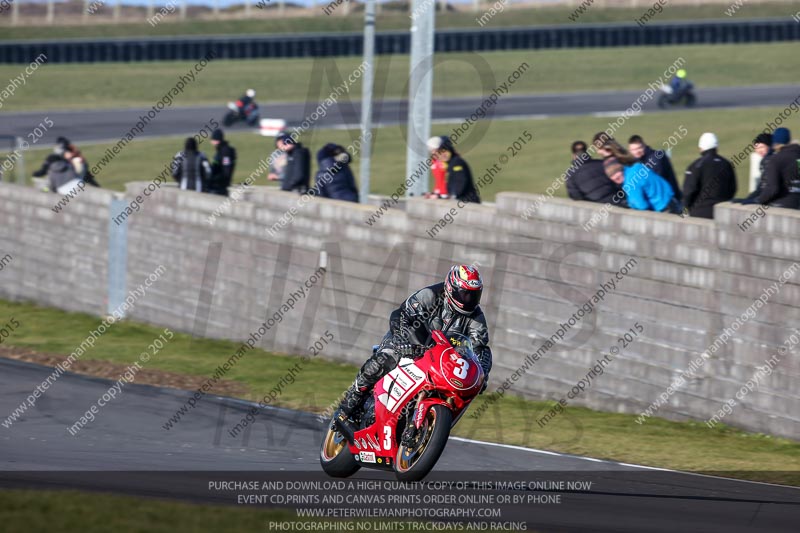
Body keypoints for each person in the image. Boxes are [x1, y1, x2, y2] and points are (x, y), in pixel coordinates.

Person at [337, 265, 493, 419]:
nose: (470, 300)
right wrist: (401, 340)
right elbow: (401, 315)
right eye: (465, 294)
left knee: (459, 392)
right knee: (386, 358)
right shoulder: (431, 295)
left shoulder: (476, 318)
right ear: (451, 288)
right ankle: (353, 396)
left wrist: (481, 374)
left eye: (474, 295)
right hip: (409, 343)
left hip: (439, 360)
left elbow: (480, 348)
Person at [593, 133, 680, 214]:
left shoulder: (628, 175)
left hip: (660, 205)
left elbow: (641, 205)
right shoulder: (632, 164)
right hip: (667, 198)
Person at [683, 133, 737, 219]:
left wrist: (686, 207)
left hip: (699, 213)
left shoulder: (696, 165)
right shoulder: (726, 164)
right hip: (722, 213)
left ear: (701, 148)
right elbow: (733, 188)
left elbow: (689, 191)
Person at [565, 140, 624, 205]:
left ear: (573, 155)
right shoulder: (602, 163)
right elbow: (618, 182)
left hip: (597, 206)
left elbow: (576, 196)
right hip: (618, 200)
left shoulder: (571, 174)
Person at [628, 134, 681, 203]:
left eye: (639, 148)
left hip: (668, 199)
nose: (636, 152)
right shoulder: (638, 161)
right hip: (660, 199)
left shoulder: (655, 159)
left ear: (644, 146)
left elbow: (654, 181)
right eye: (633, 150)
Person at [756, 127, 800, 208]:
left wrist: (757, 200)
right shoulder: (798, 157)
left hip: (780, 205)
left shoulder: (776, 159)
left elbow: (772, 189)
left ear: (775, 143)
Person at [732, 133, 774, 204]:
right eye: (756, 148)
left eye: (762, 147)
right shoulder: (765, 161)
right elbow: (761, 186)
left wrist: (754, 200)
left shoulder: (770, 161)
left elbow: (769, 187)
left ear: (769, 145)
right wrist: (747, 199)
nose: (759, 150)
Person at [440, 138, 480, 203]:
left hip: (468, 202)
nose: (443, 154)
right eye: (440, 152)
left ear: (450, 150)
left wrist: (453, 195)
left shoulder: (456, 163)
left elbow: (460, 181)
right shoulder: (450, 163)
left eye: (445, 151)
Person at [207, 129, 237, 196]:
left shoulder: (225, 152)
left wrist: (216, 180)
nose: (211, 142)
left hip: (221, 186)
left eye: (212, 139)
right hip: (218, 184)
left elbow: (226, 170)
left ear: (216, 140)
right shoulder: (221, 150)